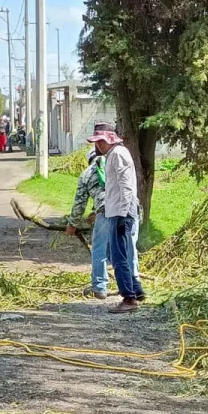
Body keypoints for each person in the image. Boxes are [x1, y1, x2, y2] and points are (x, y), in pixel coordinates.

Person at [86, 122, 145, 312]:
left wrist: (122, 214)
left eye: (100, 141)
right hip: (117, 211)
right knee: (121, 253)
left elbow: (126, 186)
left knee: (119, 257)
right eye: (96, 142)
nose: (98, 145)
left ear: (109, 139)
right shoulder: (112, 155)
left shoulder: (118, 154)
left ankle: (128, 298)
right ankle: (136, 290)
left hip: (121, 212)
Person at [66, 146, 110, 299]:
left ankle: (99, 287)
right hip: (129, 210)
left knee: (99, 249)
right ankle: (132, 288)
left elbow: (79, 204)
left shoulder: (87, 173)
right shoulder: (115, 164)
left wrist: (72, 225)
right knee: (126, 249)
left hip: (107, 212)